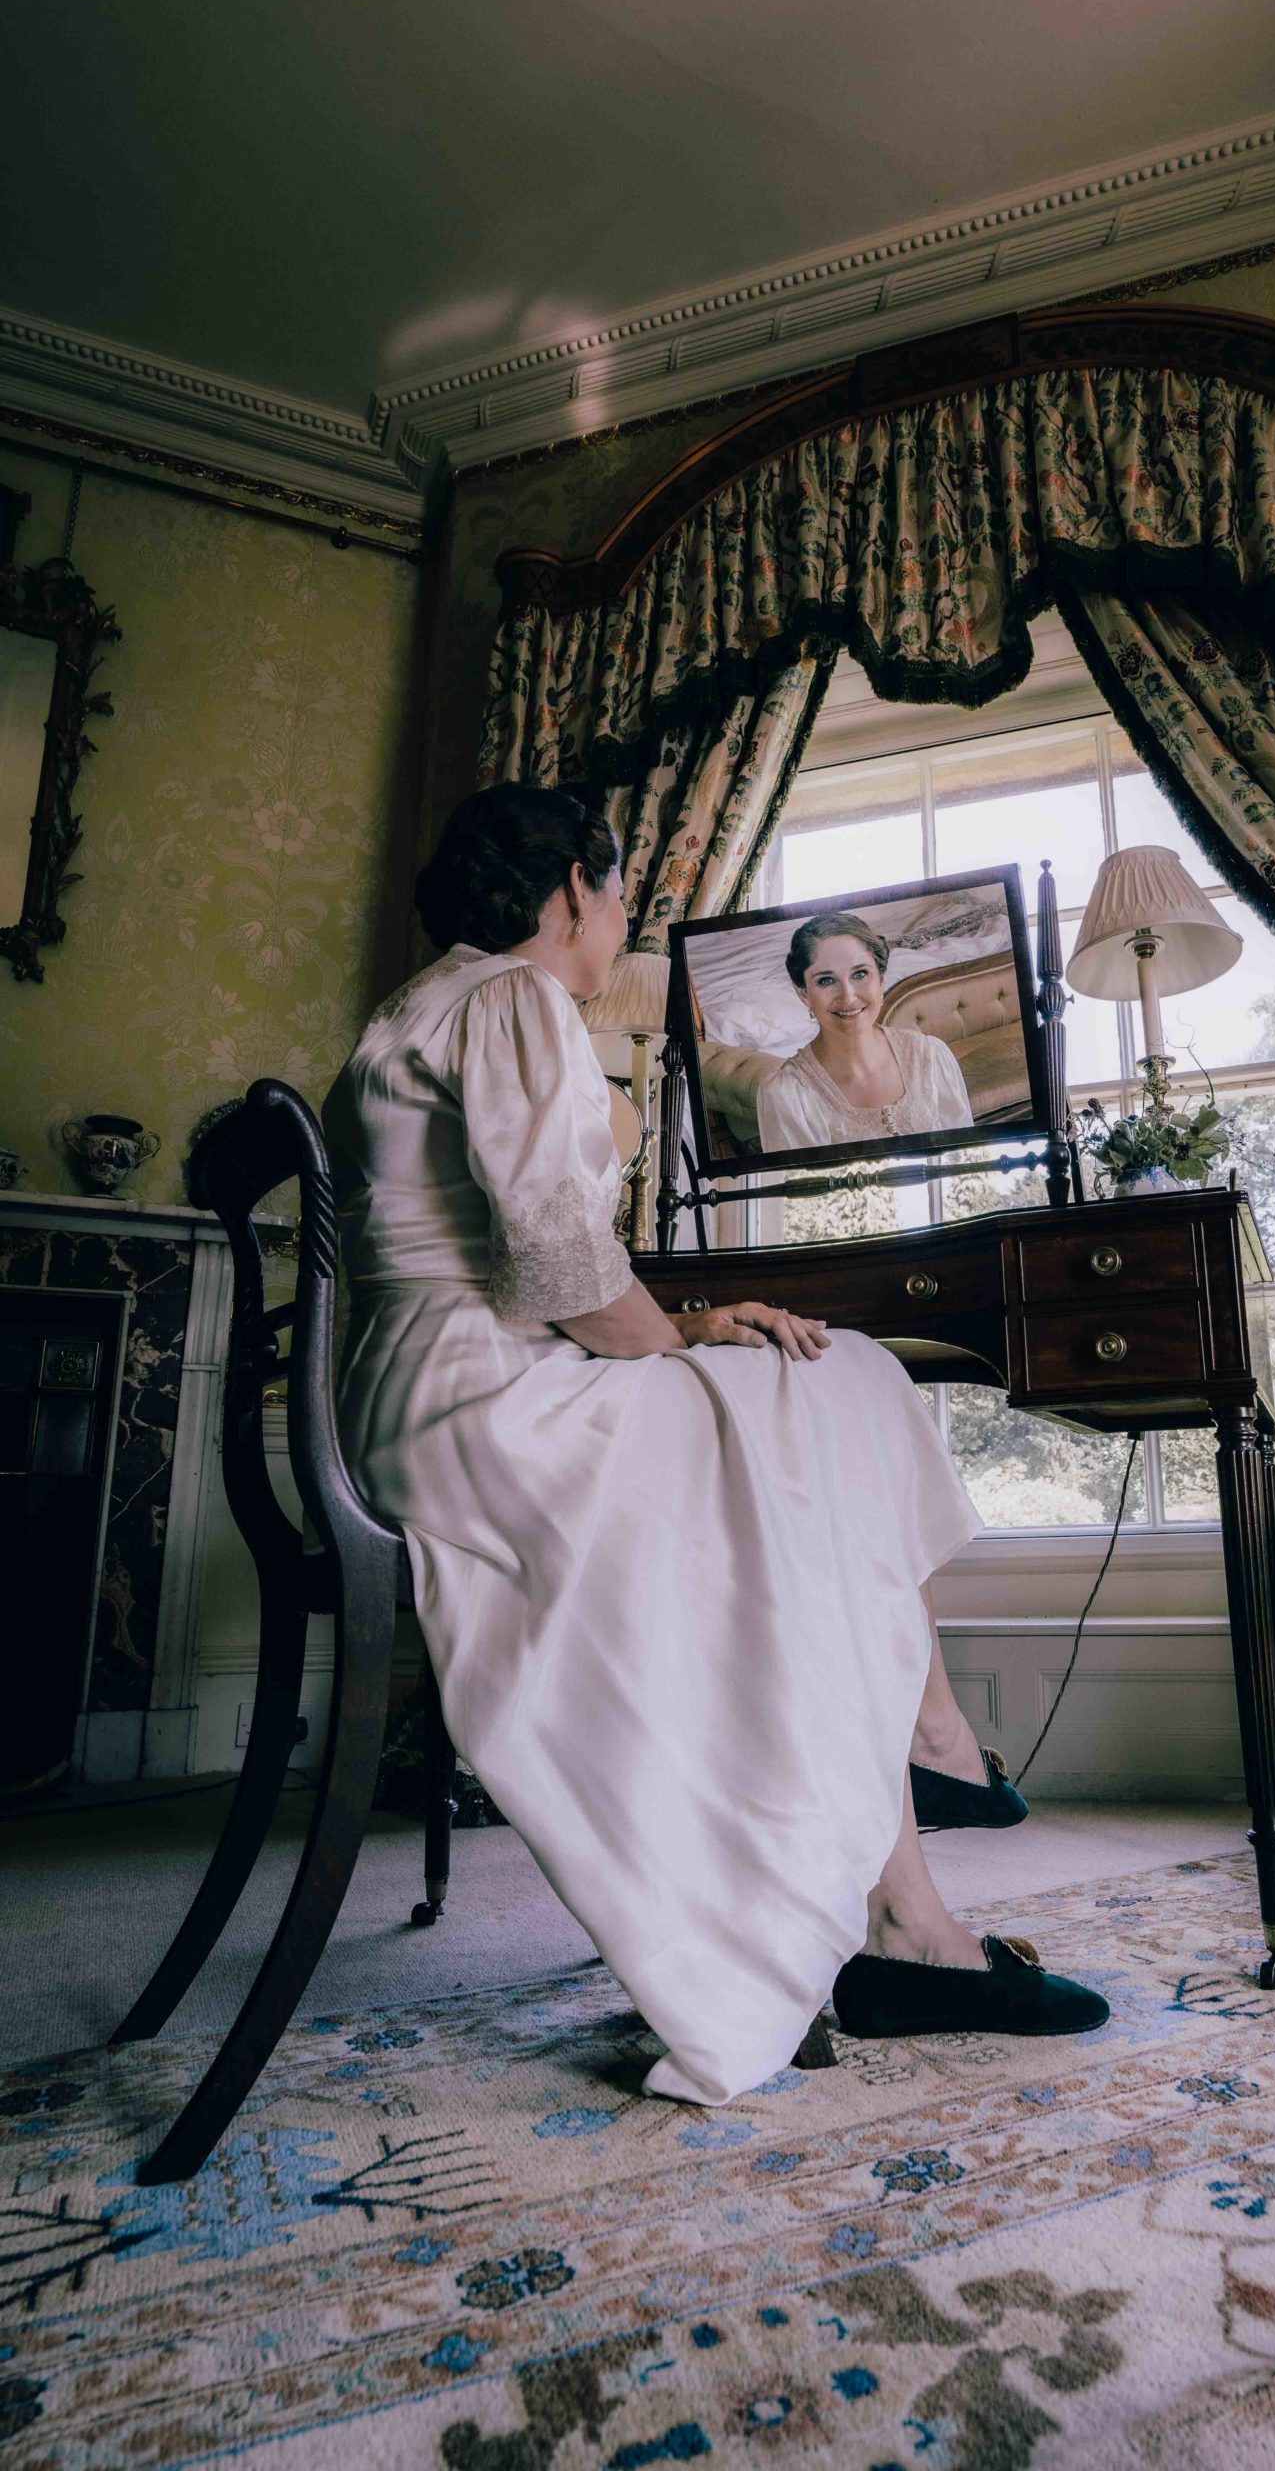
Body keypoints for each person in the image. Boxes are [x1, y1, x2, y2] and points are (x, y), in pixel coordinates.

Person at [324, 784, 1105, 2106]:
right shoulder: (515, 1000)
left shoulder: (412, 1010)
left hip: (426, 1393)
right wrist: (685, 1339)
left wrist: (685, 1324)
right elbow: (558, 1258)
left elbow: (522, 1268)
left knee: (799, 1406)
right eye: (619, 891)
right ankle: (922, 1784)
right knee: (836, 1377)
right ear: (577, 883)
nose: (618, 919)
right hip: (480, 1409)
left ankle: (908, 1866)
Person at [756, 912, 975, 1154]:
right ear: (804, 993)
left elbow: (964, 1159)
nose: (848, 997)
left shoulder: (931, 1057)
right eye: (826, 981)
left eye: (860, 974)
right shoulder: (788, 1095)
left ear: (881, 980)